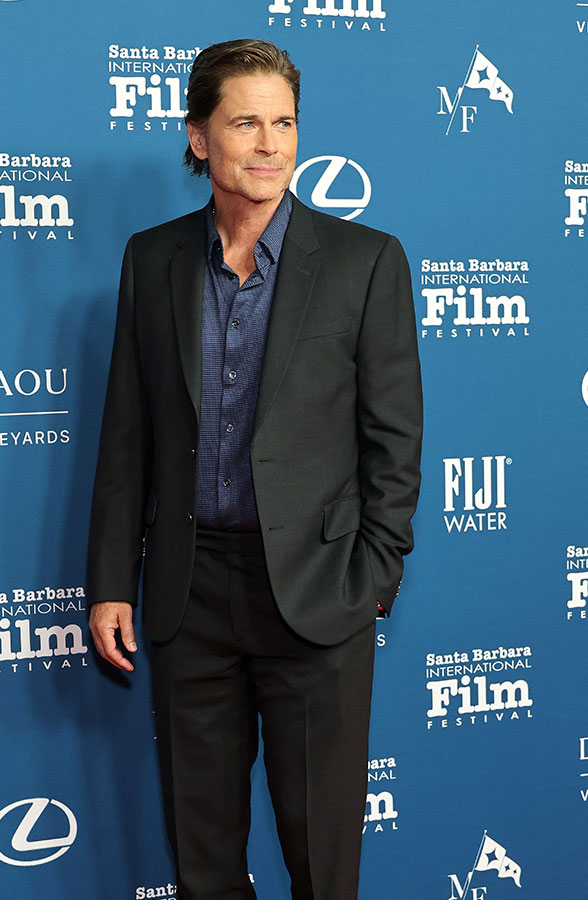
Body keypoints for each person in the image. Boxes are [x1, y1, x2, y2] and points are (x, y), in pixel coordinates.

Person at [87, 38, 422, 900]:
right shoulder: (152, 259)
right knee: (203, 862)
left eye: (285, 123)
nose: (271, 144)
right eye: (246, 124)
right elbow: (127, 434)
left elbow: (394, 441)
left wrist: (372, 574)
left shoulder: (365, 261)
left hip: (315, 594)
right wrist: (112, 582)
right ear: (199, 137)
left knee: (322, 863)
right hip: (188, 594)